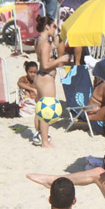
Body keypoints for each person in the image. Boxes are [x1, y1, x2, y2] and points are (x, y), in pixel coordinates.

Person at [34, 15, 69, 148]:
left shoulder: (39, 40)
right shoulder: (45, 43)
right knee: (47, 109)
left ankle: (39, 135)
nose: (55, 29)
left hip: (41, 77)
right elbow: (45, 65)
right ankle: (45, 141)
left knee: (40, 107)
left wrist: (56, 39)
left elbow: (49, 51)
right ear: (47, 26)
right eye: (54, 26)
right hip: (45, 77)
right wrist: (61, 59)